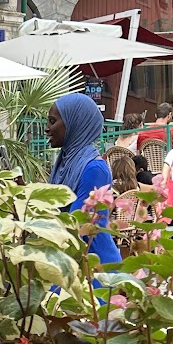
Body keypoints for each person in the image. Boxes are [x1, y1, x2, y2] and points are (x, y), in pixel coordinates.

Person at [47, 92, 122, 266]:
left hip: (95, 269)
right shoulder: (65, 163)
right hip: (71, 262)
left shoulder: (94, 169)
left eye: (52, 121)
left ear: (75, 123)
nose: (47, 128)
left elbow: (76, 225)